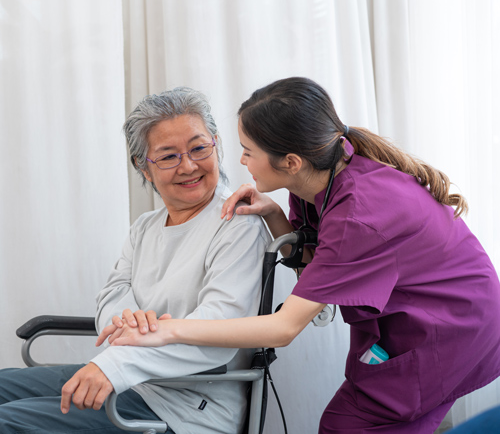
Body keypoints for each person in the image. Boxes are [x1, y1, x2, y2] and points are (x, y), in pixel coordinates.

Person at [99, 77, 500, 434]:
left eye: (247, 151)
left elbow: (283, 328)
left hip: (452, 328)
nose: (240, 161)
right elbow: (317, 263)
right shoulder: (315, 179)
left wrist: (167, 329)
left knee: (347, 425)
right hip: (411, 323)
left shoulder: (360, 214)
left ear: (290, 162)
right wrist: (275, 216)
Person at [0, 87, 270, 434]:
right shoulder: (145, 228)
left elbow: (218, 331)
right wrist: (127, 319)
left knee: (8, 421)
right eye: (169, 156)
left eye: (199, 148)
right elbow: (112, 295)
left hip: (185, 406)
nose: (189, 165)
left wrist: (115, 365)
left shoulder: (239, 224)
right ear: (143, 166)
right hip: (133, 380)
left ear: (216, 144)